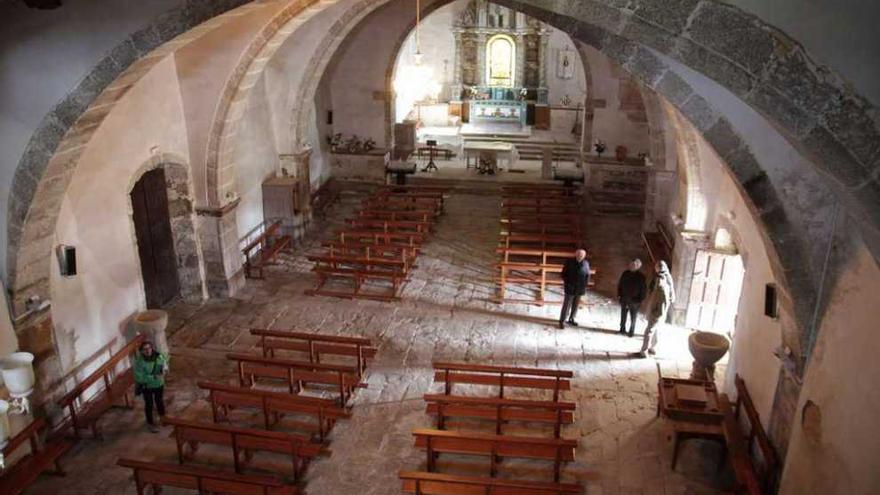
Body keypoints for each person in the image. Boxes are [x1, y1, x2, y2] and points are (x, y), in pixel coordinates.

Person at [634, 260, 675, 358]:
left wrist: (654, 313)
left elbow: (660, 300)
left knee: (649, 331)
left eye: (656, 267)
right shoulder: (668, 279)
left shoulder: (661, 285)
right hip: (660, 311)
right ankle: (653, 348)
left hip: (657, 312)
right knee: (657, 330)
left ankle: (644, 351)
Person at [134, 340, 169, 432]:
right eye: (145, 349)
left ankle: (163, 418)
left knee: (159, 401)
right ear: (141, 351)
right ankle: (150, 424)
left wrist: (164, 370)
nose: (148, 350)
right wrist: (153, 377)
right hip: (147, 386)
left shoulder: (159, 356)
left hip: (159, 384)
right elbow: (139, 377)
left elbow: (165, 364)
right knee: (149, 404)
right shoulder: (139, 362)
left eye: (149, 348)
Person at [558, 249, 590, 329]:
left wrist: (585, 285)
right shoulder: (569, 262)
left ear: (584, 256)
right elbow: (563, 274)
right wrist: (568, 283)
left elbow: (587, 275)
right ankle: (562, 321)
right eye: (579, 254)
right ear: (575, 254)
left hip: (580, 288)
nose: (580, 256)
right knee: (567, 305)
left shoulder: (586, 263)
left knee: (575, 305)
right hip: (570, 287)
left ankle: (572, 318)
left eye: (582, 255)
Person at [617, 259, 647, 337]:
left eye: (634, 265)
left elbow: (643, 289)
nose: (632, 266)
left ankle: (631, 331)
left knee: (633, 317)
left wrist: (640, 300)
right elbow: (620, 284)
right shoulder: (625, 273)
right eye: (631, 264)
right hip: (624, 298)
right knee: (623, 315)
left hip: (634, 300)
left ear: (638, 266)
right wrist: (619, 295)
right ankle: (622, 329)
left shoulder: (641, 277)